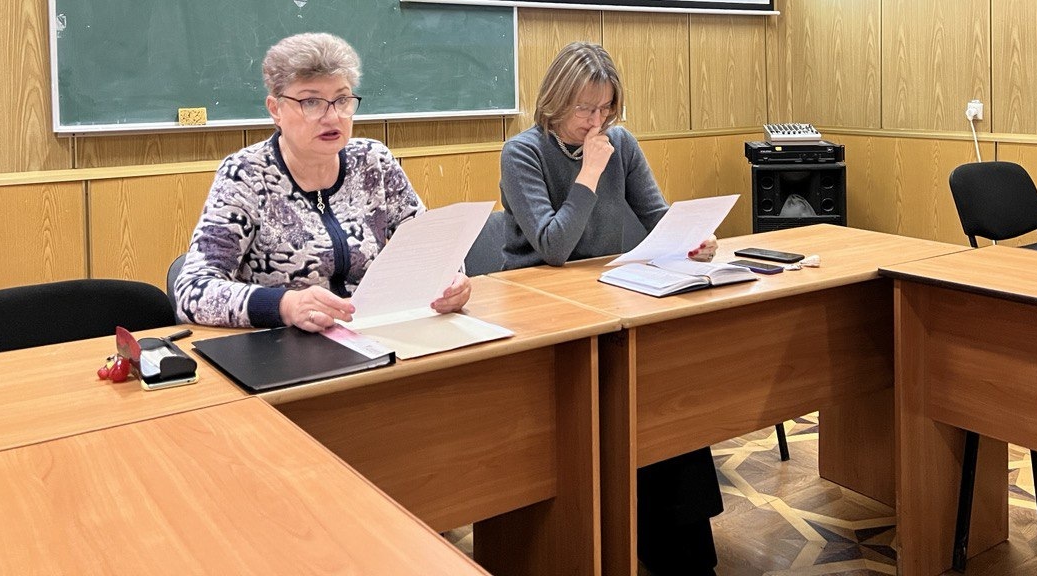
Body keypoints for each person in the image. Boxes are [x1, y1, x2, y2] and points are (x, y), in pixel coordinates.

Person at [499, 41, 722, 576]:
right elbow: (554, 247)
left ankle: (686, 557)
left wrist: (693, 240)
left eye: (606, 109)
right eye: (584, 108)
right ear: (555, 101)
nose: (596, 122)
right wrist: (588, 175)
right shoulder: (522, 152)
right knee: (615, 408)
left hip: (605, 293)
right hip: (538, 306)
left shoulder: (620, 142)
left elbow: (657, 216)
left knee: (665, 401)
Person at [174, 33, 471, 330]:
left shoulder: (373, 161)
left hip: (376, 331)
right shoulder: (245, 174)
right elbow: (193, 290)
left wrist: (451, 283)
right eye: (312, 102)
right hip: (284, 342)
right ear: (275, 109)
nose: (332, 117)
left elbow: (434, 249)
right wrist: (285, 306)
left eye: (342, 100)